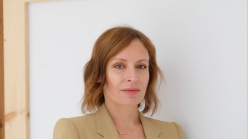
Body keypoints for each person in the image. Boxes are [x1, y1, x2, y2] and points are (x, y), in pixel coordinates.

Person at [53, 26, 184, 139]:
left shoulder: (172, 132)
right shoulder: (74, 130)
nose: (133, 77)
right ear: (99, 74)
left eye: (141, 66)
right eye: (119, 66)